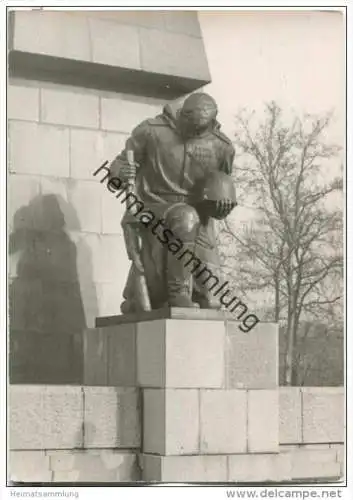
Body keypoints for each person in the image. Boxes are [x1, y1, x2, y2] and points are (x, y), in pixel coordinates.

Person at [110, 92, 236, 312]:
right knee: (186, 217)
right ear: (183, 115)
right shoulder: (151, 131)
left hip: (198, 216)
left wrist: (222, 205)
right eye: (191, 125)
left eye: (201, 129)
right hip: (154, 207)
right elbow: (118, 167)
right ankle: (179, 292)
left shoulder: (222, 146)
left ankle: (167, 293)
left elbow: (221, 187)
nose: (194, 132)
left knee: (212, 301)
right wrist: (121, 172)